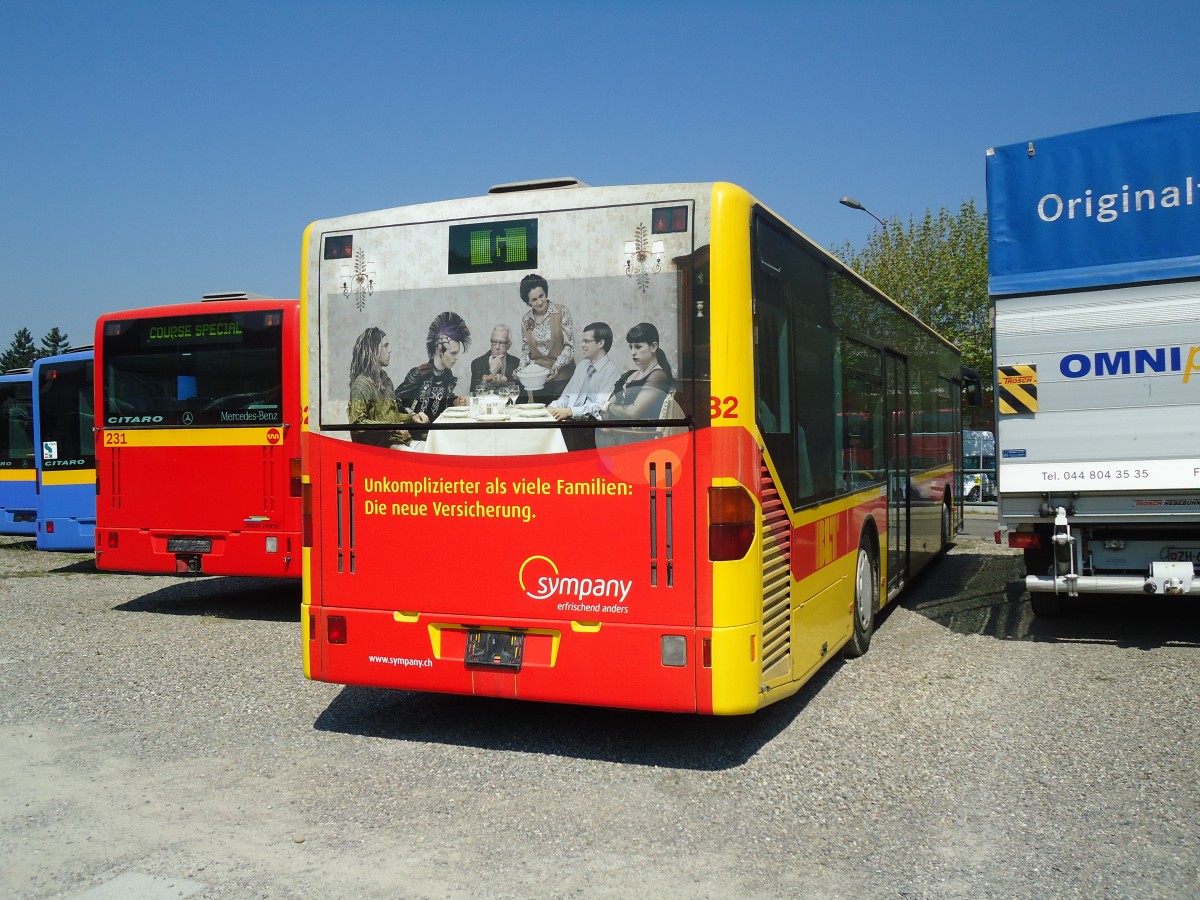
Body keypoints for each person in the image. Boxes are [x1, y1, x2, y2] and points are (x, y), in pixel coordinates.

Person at [347, 327, 428, 447]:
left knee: (435, 450)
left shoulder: (386, 380)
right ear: (373, 350)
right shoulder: (361, 385)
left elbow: (392, 415)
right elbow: (357, 424)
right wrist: (393, 427)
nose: (390, 350)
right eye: (385, 346)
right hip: (382, 447)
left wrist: (412, 418)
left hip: (400, 442)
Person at [395, 311, 471, 423]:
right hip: (415, 434)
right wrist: (413, 415)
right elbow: (395, 401)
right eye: (453, 353)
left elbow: (440, 403)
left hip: (435, 431)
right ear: (440, 350)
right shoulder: (419, 373)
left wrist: (455, 402)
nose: (456, 358)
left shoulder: (447, 374)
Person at [514, 273, 575, 403]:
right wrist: (520, 370)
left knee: (562, 418)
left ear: (546, 293)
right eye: (534, 300)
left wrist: (556, 366)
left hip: (563, 378)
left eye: (541, 296)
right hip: (539, 380)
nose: (540, 302)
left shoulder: (561, 311)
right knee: (542, 417)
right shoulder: (526, 319)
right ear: (528, 302)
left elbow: (569, 346)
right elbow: (526, 351)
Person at [600, 322, 675, 421]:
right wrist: (609, 409)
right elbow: (603, 414)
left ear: (653, 347)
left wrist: (609, 407)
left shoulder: (658, 376)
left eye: (638, 347)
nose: (633, 352)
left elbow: (632, 413)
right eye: (631, 347)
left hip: (644, 434)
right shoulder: (628, 375)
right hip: (619, 432)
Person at [548, 322, 620, 421]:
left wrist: (570, 411)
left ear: (600, 343)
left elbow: (600, 407)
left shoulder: (611, 372)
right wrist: (552, 407)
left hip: (591, 426)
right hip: (570, 422)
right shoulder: (582, 366)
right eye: (582, 341)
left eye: (586, 341)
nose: (582, 345)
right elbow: (566, 397)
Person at [469, 325, 521, 393]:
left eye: (501, 343)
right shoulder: (477, 363)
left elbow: (522, 395)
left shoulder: (517, 363)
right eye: (494, 341)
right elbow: (474, 393)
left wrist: (506, 383)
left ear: (509, 345)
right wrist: (492, 371)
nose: (497, 347)